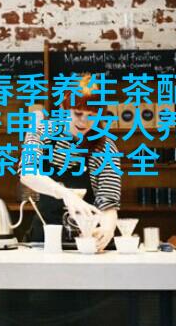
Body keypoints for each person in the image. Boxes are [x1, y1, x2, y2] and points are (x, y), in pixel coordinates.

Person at [20, 73, 122, 251]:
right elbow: (28, 173)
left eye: (92, 115)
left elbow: (108, 202)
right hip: (44, 240)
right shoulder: (40, 132)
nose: (84, 121)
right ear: (63, 108)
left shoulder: (104, 147)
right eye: (78, 113)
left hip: (88, 241)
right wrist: (66, 194)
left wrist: (107, 229)